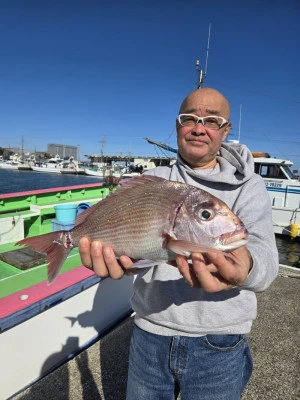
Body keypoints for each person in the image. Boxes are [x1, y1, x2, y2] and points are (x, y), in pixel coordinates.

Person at [79, 88, 279, 400]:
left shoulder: (249, 186)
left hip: (220, 342)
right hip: (150, 333)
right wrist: (121, 262)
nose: (199, 128)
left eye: (212, 121)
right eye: (190, 119)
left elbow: (266, 257)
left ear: (225, 131)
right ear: (177, 125)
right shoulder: (153, 179)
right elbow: (135, 250)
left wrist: (246, 267)